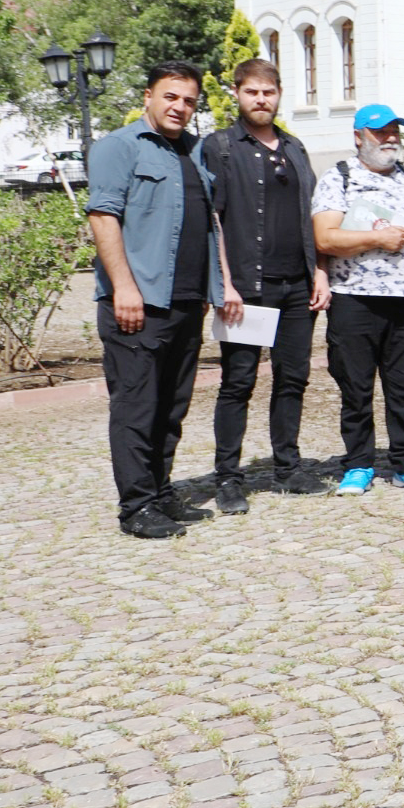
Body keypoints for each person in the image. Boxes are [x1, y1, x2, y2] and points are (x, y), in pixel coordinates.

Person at [86, 61, 224, 538]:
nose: (180, 107)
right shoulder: (118, 148)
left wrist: (213, 290)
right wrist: (124, 287)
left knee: (171, 406)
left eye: (188, 100)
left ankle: (161, 492)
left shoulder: (194, 151)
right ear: (148, 96)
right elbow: (104, 217)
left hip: (184, 300)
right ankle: (136, 506)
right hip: (137, 304)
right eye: (170, 97)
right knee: (136, 407)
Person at [204, 57, 327, 510]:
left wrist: (319, 270)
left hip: (295, 286)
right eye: (252, 92)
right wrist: (225, 285)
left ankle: (288, 468)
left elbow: (310, 214)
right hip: (246, 290)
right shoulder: (219, 147)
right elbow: (211, 220)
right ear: (237, 93)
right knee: (238, 382)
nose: (261, 99)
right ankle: (228, 477)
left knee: (292, 380)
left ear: (278, 95)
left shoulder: (294, 148)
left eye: (269, 92)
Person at [313, 105, 404, 495]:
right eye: (379, 132)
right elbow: (325, 237)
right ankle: (358, 464)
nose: (389, 138)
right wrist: (376, 239)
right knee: (355, 387)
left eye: (394, 132)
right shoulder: (339, 177)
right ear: (359, 137)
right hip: (354, 298)